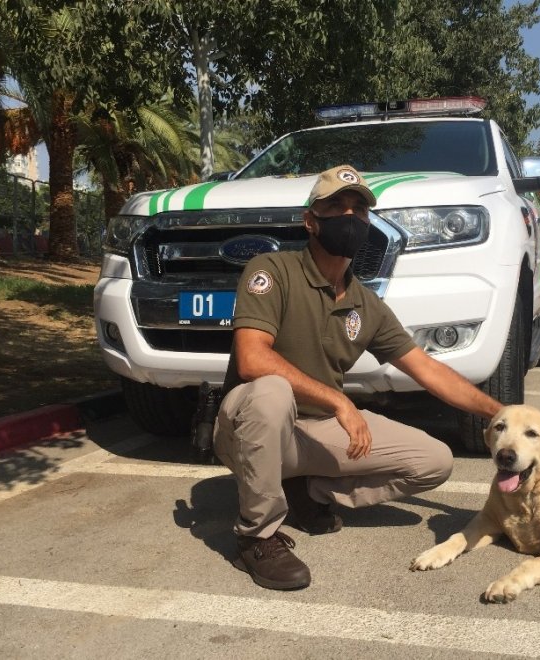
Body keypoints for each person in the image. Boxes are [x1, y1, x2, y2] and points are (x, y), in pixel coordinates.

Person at [214, 164, 502, 591]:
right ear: (311, 220)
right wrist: (339, 402)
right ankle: (257, 537)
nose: (349, 217)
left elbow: (427, 369)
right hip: (250, 425)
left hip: (312, 434)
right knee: (272, 391)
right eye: (335, 206)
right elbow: (252, 359)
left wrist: (503, 412)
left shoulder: (366, 303)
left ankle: (307, 492)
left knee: (435, 460)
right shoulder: (273, 269)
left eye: (358, 210)